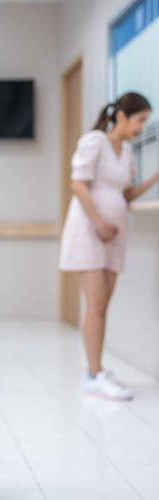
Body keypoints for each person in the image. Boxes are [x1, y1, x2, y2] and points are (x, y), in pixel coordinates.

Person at [59, 92, 159, 401]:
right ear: (122, 117)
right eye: (140, 120)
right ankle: (94, 373)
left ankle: (96, 370)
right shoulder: (95, 141)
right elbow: (78, 184)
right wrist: (99, 223)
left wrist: (154, 179)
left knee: (102, 306)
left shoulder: (126, 151)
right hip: (90, 230)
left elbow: (124, 195)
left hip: (114, 235)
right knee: (97, 305)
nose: (142, 127)